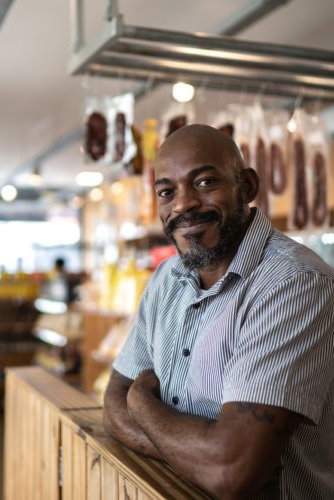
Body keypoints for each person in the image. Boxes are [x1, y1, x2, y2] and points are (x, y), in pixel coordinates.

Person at [103, 124, 334, 499]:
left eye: (205, 182)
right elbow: (112, 404)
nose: (182, 204)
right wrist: (191, 455)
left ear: (247, 186)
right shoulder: (165, 278)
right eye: (167, 192)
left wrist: (141, 405)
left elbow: (229, 471)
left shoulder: (293, 284)